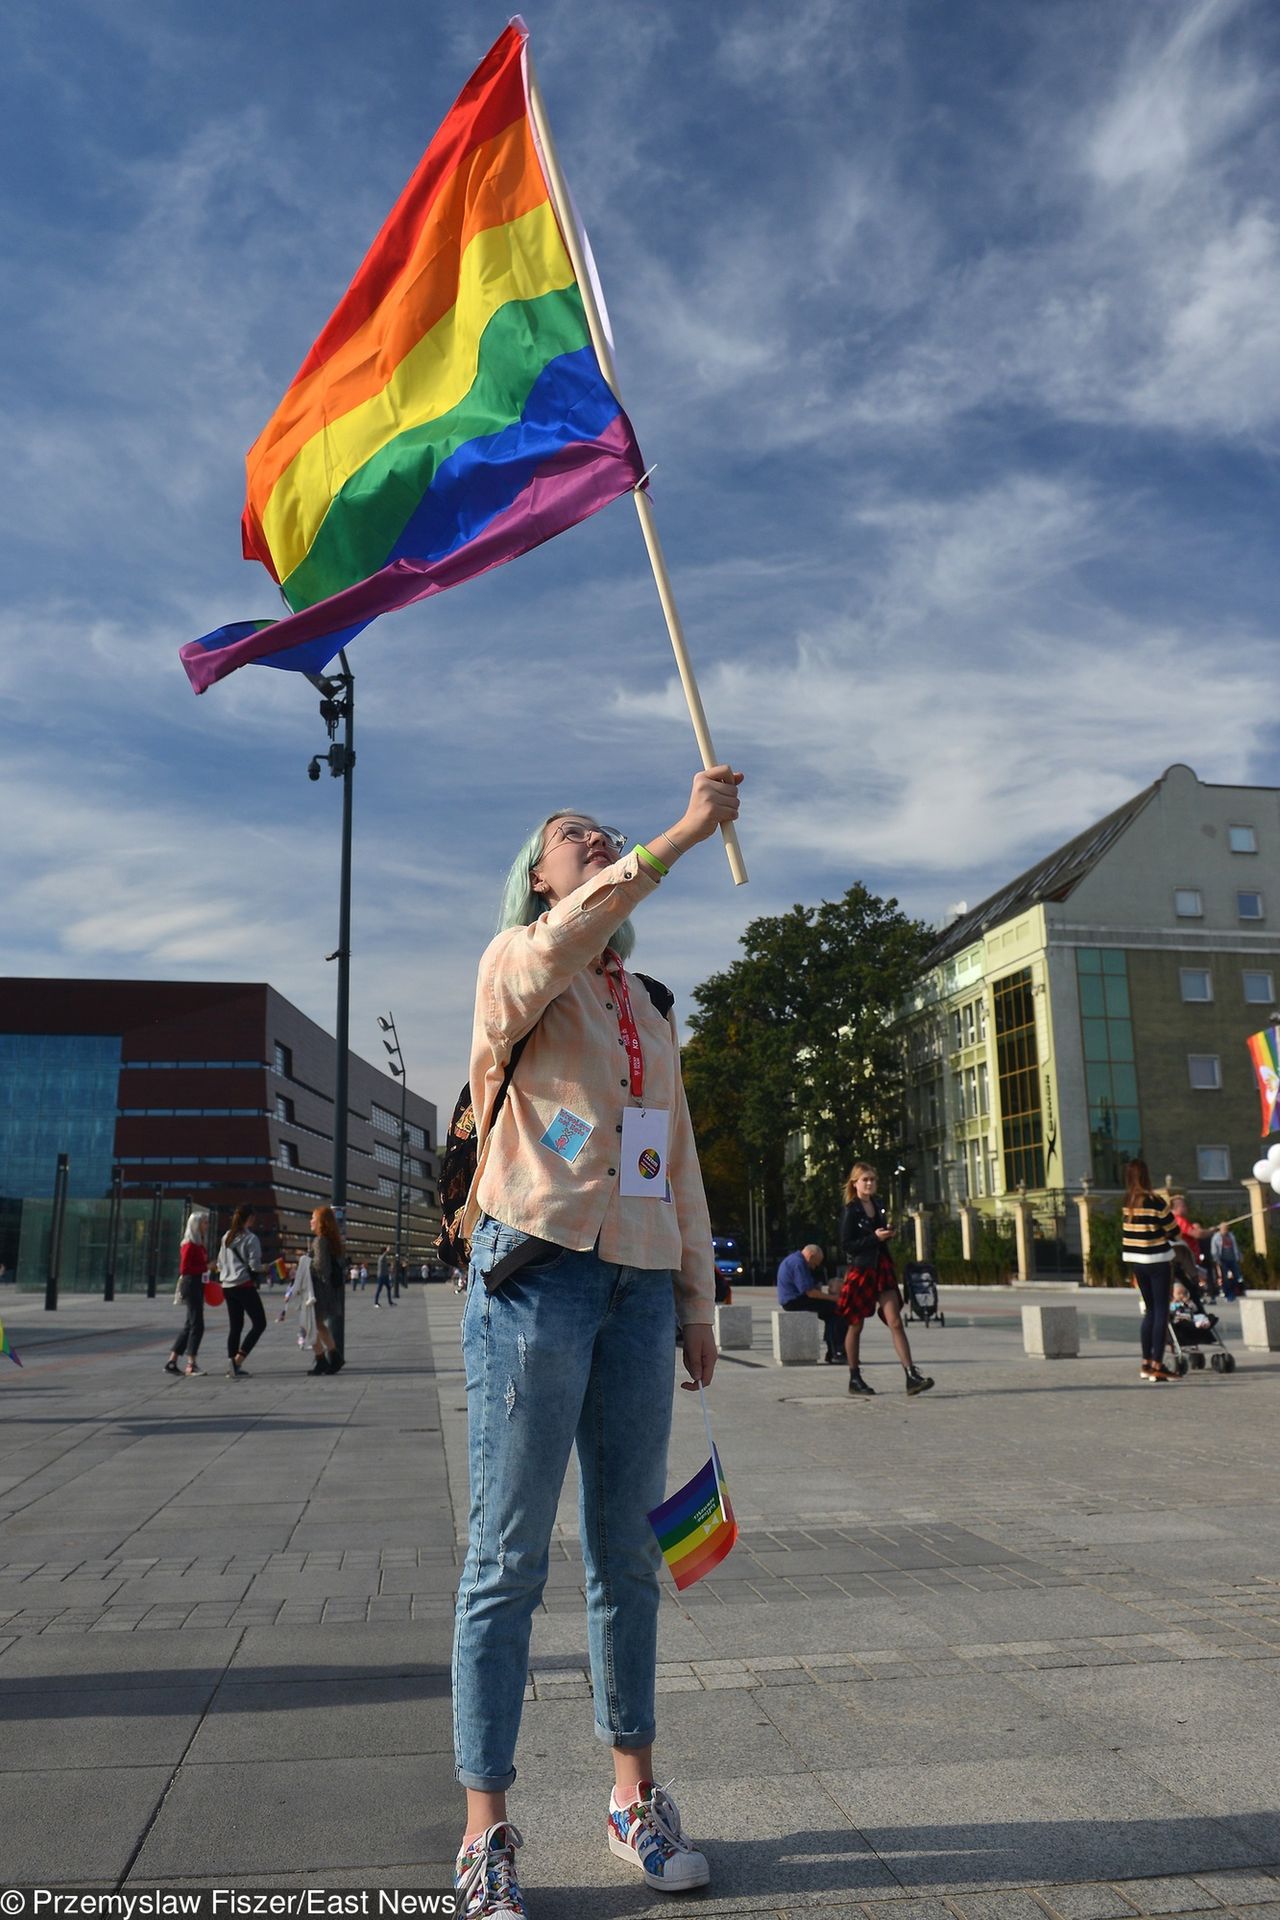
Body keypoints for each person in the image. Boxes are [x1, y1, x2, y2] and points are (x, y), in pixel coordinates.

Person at [451, 768, 741, 1920]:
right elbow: (572, 933)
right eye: (576, 835)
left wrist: (691, 1295)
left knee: (626, 1556)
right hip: (532, 1278)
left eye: (605, 834)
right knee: (506, 1559)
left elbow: (673, 1154)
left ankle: (632, 1798)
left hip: (629, 1288)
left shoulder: (652, 1006)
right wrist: (677, 834)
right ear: (537, 872)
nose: (597, 841)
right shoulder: (517, 962)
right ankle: (485, 1826)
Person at [836, 1163, 933, 1397]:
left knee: (895, 1322)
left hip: (882, 1268)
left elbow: (878, 1237)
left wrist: (886, 1234)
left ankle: (911, 1374)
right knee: (856, 1325)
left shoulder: (878, 1205)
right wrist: (873, 1238)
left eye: (872, 1179)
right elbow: (846, 1245)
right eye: (864, 1180)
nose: (869, 1183)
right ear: (854, 1183)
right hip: (861, 1270)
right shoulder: (851, 1210)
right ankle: (854, 1376)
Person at [1122, 1160, 1179, 1383]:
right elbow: (1174, 1231)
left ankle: (1146, 1363)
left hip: (1137, 1262)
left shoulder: (1128, 1202)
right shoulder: (1155, 1201)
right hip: (1157, 1260)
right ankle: (1158, 1364)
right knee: (1161, 1312)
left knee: (1149, 1311)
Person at [217, 1206, 269, 1379]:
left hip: (227, 1286)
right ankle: (238, 1361)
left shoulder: (226, 1236)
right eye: (253, 1219)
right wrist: (266, 1268)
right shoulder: (251, 1238)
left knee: (235, 1326)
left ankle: (232, 1364)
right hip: (243, 1285)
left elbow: (219, 1263)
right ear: (249, 1219)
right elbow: (254, 1266)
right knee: (260, 1323)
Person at [776, 1244, 846, 1361]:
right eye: (815, 1263)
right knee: (837, 1310)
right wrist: (834, 1298)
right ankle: (836, 1351)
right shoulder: (799, 1263)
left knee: (830, 1313)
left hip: (793, 1300)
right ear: (811, 1256)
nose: (814, 1267)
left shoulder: (794, 1259)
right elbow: (810, 1293)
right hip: (795, 1301)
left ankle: (832, 1351)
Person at [166, 1210, 210, 1377]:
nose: (207, 1226)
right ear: (196, 1225)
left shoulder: (199, 1244)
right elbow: (184, 1269)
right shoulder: (189, 1245)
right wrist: (206, 1268)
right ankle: (191, 1364)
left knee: (189, 1324)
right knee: (197, 1324)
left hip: (197, 1284)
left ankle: (172, 1361)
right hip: (191, 1283)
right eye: (204, 1223)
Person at [307, 1206, 344, 1374]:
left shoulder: (320, 1240)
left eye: (313, 1218)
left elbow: (321, 1266)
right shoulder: (330, 1240)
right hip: (328, 1290)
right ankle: (334, 1357)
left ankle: (321, 1359)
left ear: (321, 1222)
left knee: (309, 1325)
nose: (311, 1221)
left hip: (319, 1290)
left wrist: (305, 1264)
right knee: (319, 1325)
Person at [1210, 1222, 1245, 1300]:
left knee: (1237, 1275)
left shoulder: (1231, 1236)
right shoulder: (1216, 1237)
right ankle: (1227, 1292)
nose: (1226, 1230)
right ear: (1221, 1229)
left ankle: (1238, 1290)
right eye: (1224, 1228)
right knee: (1224, 1277)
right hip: (1223, 1260)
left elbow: (1236, 1247)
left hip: (1232, 1259)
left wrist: (1239, 1256)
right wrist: (1216, 1259)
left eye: (1227, 1228)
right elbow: (1214, 1250)